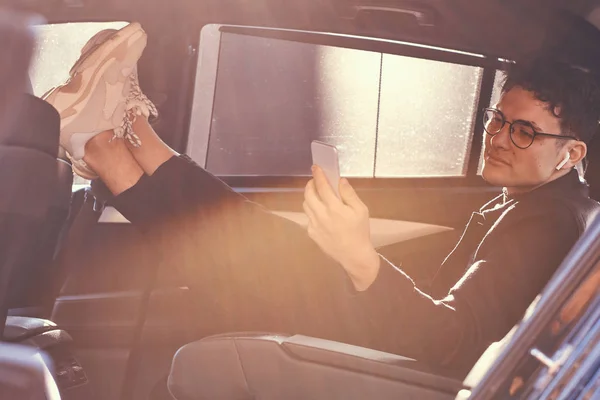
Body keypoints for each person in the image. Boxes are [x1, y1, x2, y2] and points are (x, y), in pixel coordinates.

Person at [41, 22, 600, 374]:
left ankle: (119, 136)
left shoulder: (550, 223)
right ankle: (113, 146)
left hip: (423, 369)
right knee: (253, 244)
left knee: (254, 248)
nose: (499, 138)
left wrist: (361, 260)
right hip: (404, 335)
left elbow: (453, 342)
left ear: (571, 154)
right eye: (497, 120)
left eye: (523, 132)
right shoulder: (529, 202)